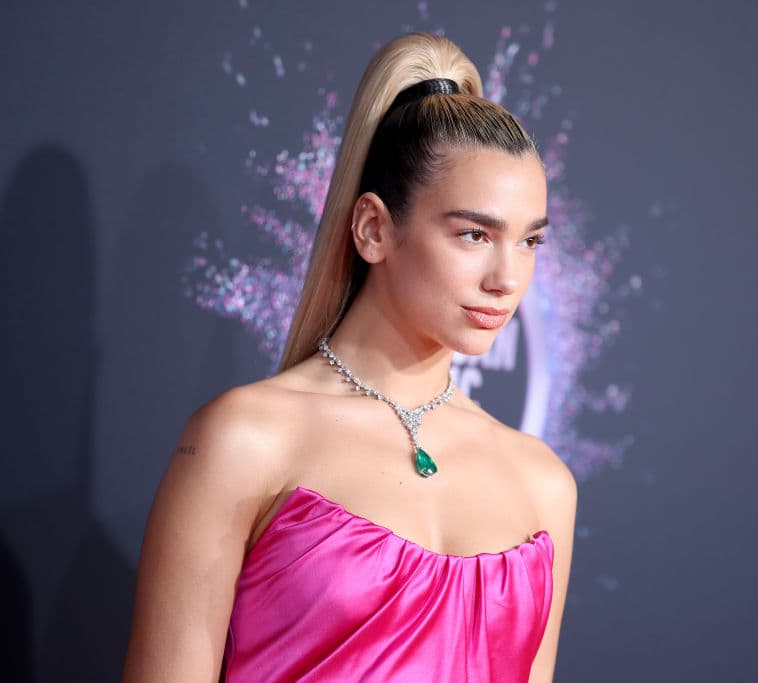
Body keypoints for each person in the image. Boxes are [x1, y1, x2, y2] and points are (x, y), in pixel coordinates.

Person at [122, 31, 577, 682]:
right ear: (373, 228)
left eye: (529, 241)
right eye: (474, 234)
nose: (508, 277)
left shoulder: (544, 485)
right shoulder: (242, 441)